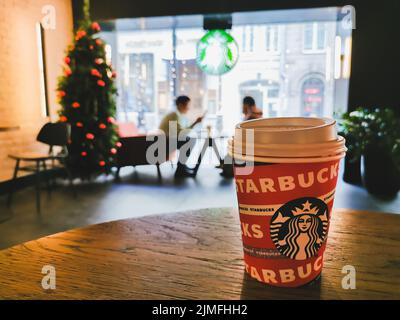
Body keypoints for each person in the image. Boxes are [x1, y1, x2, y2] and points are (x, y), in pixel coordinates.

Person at [159, 96, 204, 177]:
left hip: (168, 140)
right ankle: (180, 168)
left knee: (190, 140)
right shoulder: (173, 115)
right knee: (189, 141)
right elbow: (179, 134)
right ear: (180, 105)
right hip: (164, 142)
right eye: (187, 105)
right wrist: (195, 123)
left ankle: (182, 166)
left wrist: (196, 122)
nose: (188, 108)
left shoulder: (179, 115)